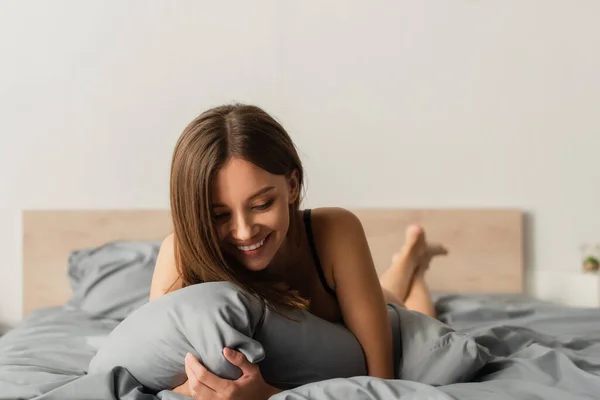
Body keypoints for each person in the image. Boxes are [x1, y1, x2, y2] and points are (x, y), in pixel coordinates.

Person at [149, 104, 448, 399]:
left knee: (414, 313)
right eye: (219, 216)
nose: (244, 231)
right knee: (384, 288)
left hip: (377, 304)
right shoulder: (178, 256)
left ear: (292, 186)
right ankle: (411, 259)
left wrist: (268, 397)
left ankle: (414, 265)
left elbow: (381, 382)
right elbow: (156, 379)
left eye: (261, 205)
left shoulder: (335, 232)